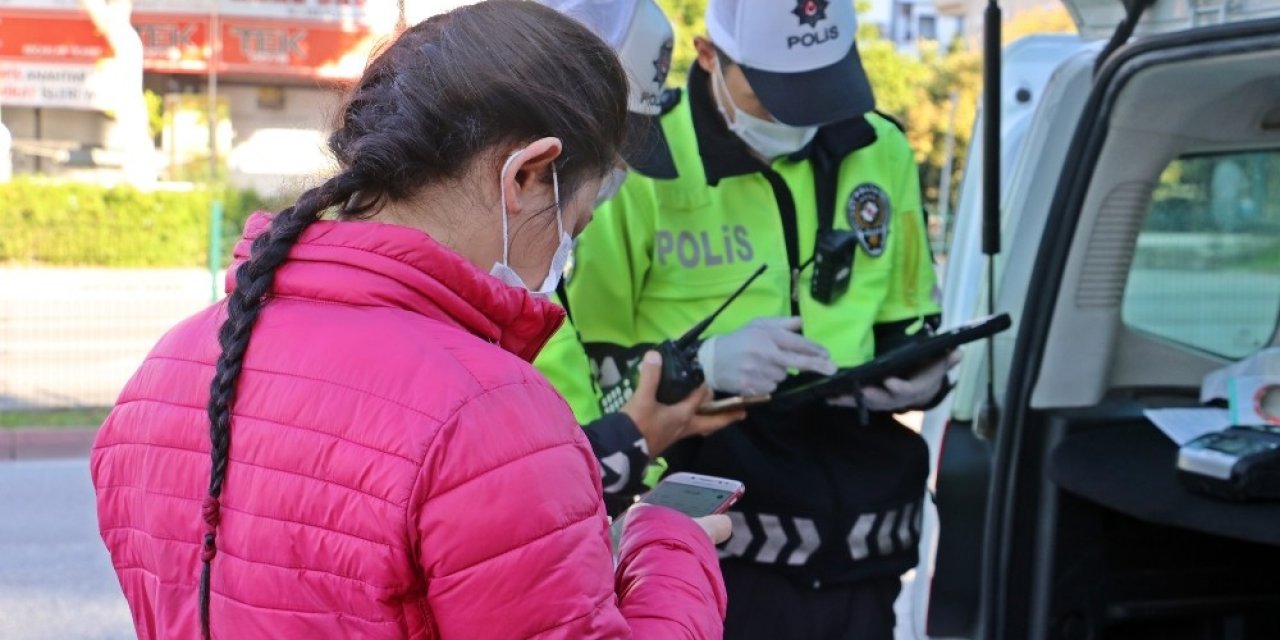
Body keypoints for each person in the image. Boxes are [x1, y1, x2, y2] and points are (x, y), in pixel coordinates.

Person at [89, 3, 728, 638]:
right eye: (576, 225)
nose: (563, 257)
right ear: (528, 173)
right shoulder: (491, 415)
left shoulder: (171, 365)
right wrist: (670, 550)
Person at [562, 0, 958, 637]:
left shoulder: (879, 146)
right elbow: (583, 375)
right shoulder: (639, 162)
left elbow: (907, 320)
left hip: (863, 544)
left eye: (821, 85)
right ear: (710, 57)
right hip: (716, 549)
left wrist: (919, 372)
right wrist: (703, 365)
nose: (801, 114)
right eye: (777, 92)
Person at [535, 0, 744, 516]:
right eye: (606, 154)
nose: (614, 178)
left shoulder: (530, 260)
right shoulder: (448, 276)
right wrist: (631, 441)